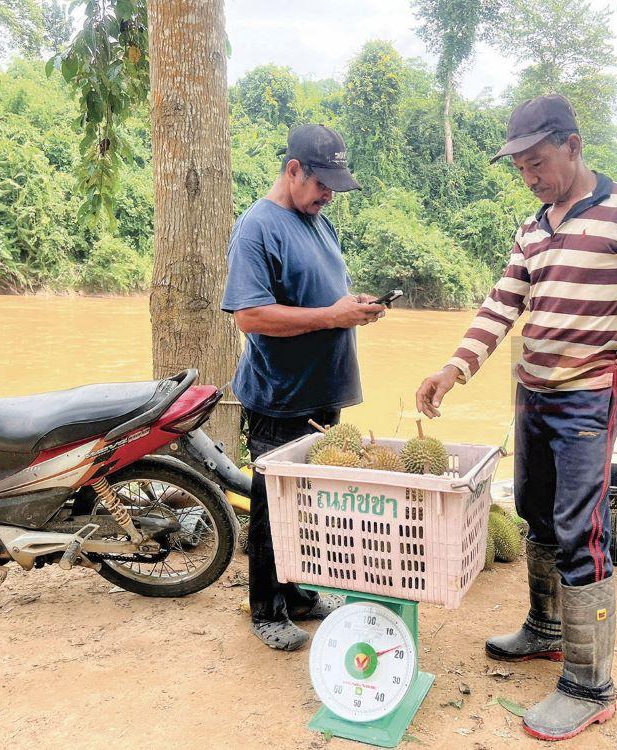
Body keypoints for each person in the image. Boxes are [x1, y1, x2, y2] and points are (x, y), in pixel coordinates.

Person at [415, 94, 617, 741]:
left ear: (574, 146)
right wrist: (454, 368)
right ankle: (546, 627)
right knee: (533, 509)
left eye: (539, 162)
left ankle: (591, 684)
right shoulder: (533, 228)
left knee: (580, 529)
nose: (531, 177)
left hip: (590, 395)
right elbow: (501, 305)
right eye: (521, 167)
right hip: (533, 393)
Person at [222, 124, 386, 651]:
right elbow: (248, 316)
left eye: (335, 186)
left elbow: (323, 299)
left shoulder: (319, 223)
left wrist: (351, 308)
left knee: (307, 506)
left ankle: (296, 596)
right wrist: (330, 315)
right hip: (280, 395)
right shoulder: (258, 227)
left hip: (322, 392)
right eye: (322, 184)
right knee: (273, 509)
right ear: (293, 170)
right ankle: (266, 607)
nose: (328, 195)